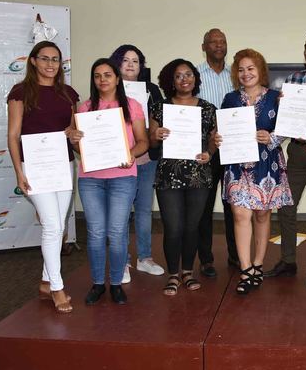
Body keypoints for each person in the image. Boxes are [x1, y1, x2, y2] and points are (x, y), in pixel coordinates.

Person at [7, 41, 79, 314]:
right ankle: (58, 288)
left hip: (62, 165)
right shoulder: (20, 92)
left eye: (56, 59)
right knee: (51, 226)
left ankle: (46, 281)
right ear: (34, 61)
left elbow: (72, 131)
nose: (50, 64)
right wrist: (18, 171)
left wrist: (75, 136)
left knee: (58, 226)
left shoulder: (69, 93)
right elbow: (13, 135)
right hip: (34, 167)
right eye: (45, 59)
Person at [215, 48, 293, 295]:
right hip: (237, 166)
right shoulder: (229, 99)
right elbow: (222, 132)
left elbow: (287, 128)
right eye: (240, 69)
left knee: (261, 215)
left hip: (266, 164)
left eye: (251, 68)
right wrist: (217, 138)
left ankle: (258, 264)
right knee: (240, 215)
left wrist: (271, 137)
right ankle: (246, 268)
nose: (245, 73)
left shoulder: (276, 98)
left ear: (260, 71)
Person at [76, 58, 149, 305]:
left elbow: (143, 142)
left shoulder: (132, 106)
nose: (102, 79)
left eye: (107, 74)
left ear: (117, 78)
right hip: (90, 179)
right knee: (96, 233)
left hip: (122, 178)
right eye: (97, 75)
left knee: (117, 233)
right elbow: (78, 148)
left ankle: (116, 283)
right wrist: (73, 139)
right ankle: (98, 283)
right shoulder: (84, 108)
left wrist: (131, 154)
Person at [265, 29, 306, 289]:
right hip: (297, 151)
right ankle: (288, 261)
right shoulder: (293, 80)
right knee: (285, 206)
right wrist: (284, 106)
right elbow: (283, 120)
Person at [150, 59, 216, 296]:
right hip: (169, 175)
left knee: (192, 227)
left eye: (189, 74)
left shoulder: (208, 108)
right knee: (173, 227)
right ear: (171, 81)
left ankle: (188, 272)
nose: (184, 79)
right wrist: (156, 135)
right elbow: (151, 142)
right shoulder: (160, 107)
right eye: (178, 76)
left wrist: (210, 152)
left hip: (199, 174)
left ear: (195, 78)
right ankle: (173, 274)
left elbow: (213, 140)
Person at [110, 44, 165, 283]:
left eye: (135, 60)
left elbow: (160, 116)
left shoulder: (151, 89)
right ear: (116, 63)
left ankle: (145, 258)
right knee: (121, 213)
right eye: (125, 60)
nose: (131, 64)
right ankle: (122, 263)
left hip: (145, 158)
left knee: (143, 210)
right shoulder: (108, 86)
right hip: (118, 160)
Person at [197, 28, 238, 277]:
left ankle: (236, 255)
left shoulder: (235, 75)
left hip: (234, 147)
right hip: (207, 148)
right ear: (204, 47)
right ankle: (206, 258)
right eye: (213, 42)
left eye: (222, 41)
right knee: (204, 206)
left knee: (234, 204)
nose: (219, 45)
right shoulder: (195, 75)